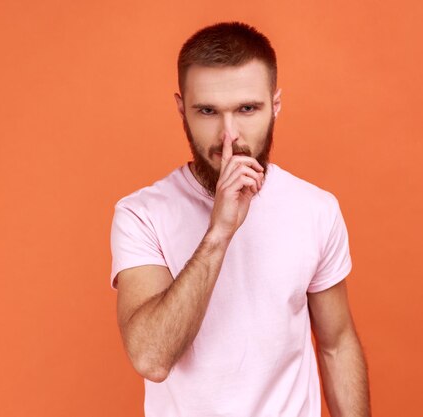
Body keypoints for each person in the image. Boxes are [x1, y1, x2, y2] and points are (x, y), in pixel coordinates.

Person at [109, 21, 371, 417]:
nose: (228, 136)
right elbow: (151, 357)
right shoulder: (141, 215)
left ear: (275, 105)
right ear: (182, 109)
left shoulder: (315, 208)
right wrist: (219, 231)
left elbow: (336, 344)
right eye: (208, 111)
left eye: (247, 109)